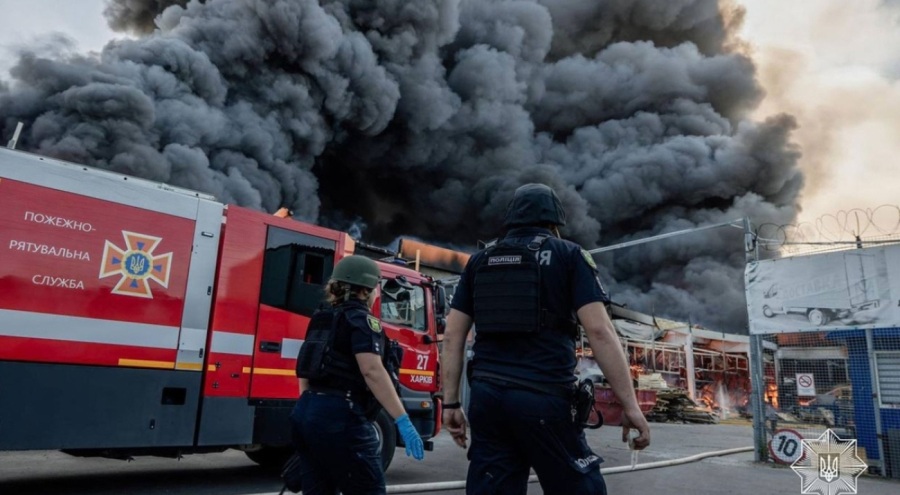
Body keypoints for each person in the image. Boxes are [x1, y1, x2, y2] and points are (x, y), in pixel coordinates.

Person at [440, 183, 651, 495]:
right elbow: (600, 332)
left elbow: (452, 335)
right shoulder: (569, 255)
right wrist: (630, 405)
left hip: (487, 400)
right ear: (555, 222)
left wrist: (451, 403)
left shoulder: (479, 261)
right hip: (543, 398)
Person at [290, 255, 424, 495]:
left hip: (306, 411)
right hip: (341, 415)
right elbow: (372, 371)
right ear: (366, 290)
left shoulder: (321, 318)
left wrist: (313, 410)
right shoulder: (362, 321)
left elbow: (306, 366)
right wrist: (402, 419)